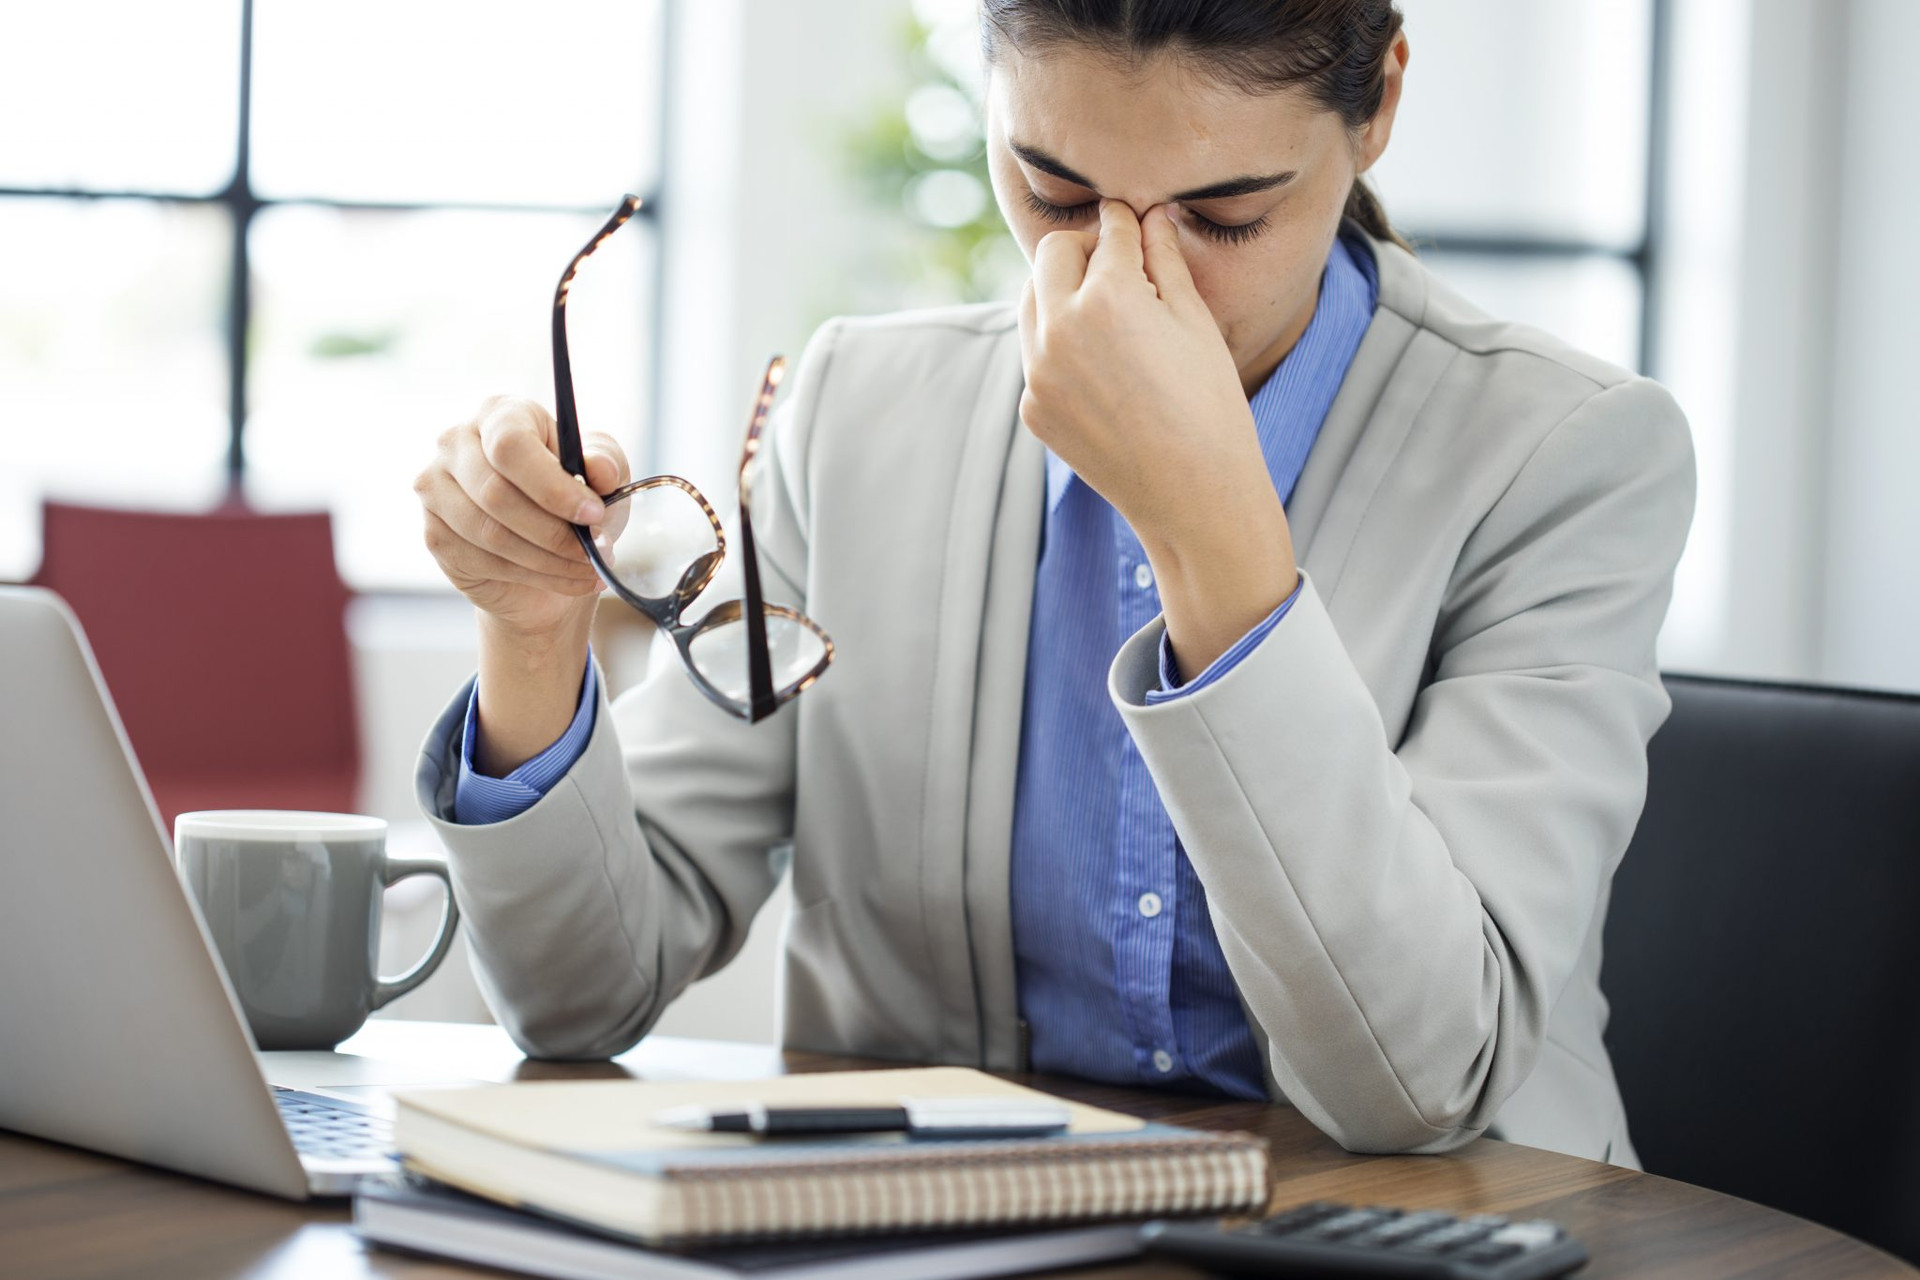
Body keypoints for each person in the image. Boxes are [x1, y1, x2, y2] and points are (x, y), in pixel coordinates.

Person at [410, 0, 1693, 1167]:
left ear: (1381, 105)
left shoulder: (1566, 455)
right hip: (932, 1230)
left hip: (1430, 1233)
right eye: (1054, 192)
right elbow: (581, 996)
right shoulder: (855, 411)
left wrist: (1214, 534)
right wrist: (531, 636)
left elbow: (1419, 1082)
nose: (1130, 281)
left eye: (1228, 213)